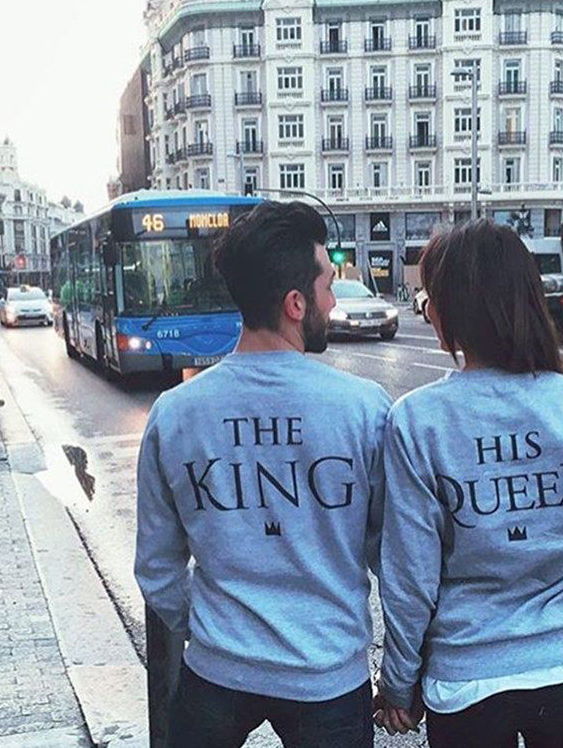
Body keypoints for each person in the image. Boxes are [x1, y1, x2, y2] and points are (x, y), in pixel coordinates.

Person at [376, 219, 563, 747]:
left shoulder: (419, 420)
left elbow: (411, 579)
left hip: (469, 679)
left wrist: (398, 684)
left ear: (446, 312)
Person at [135, 200, 391, 748]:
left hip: (217, 670)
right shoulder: (363, 408)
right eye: (328, 286)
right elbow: (391, 556)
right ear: (296, 304)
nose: (332, 301)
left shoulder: (176, 413)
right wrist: (402, 667)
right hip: (327, 672)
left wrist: (209, 627)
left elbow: (157, 566)